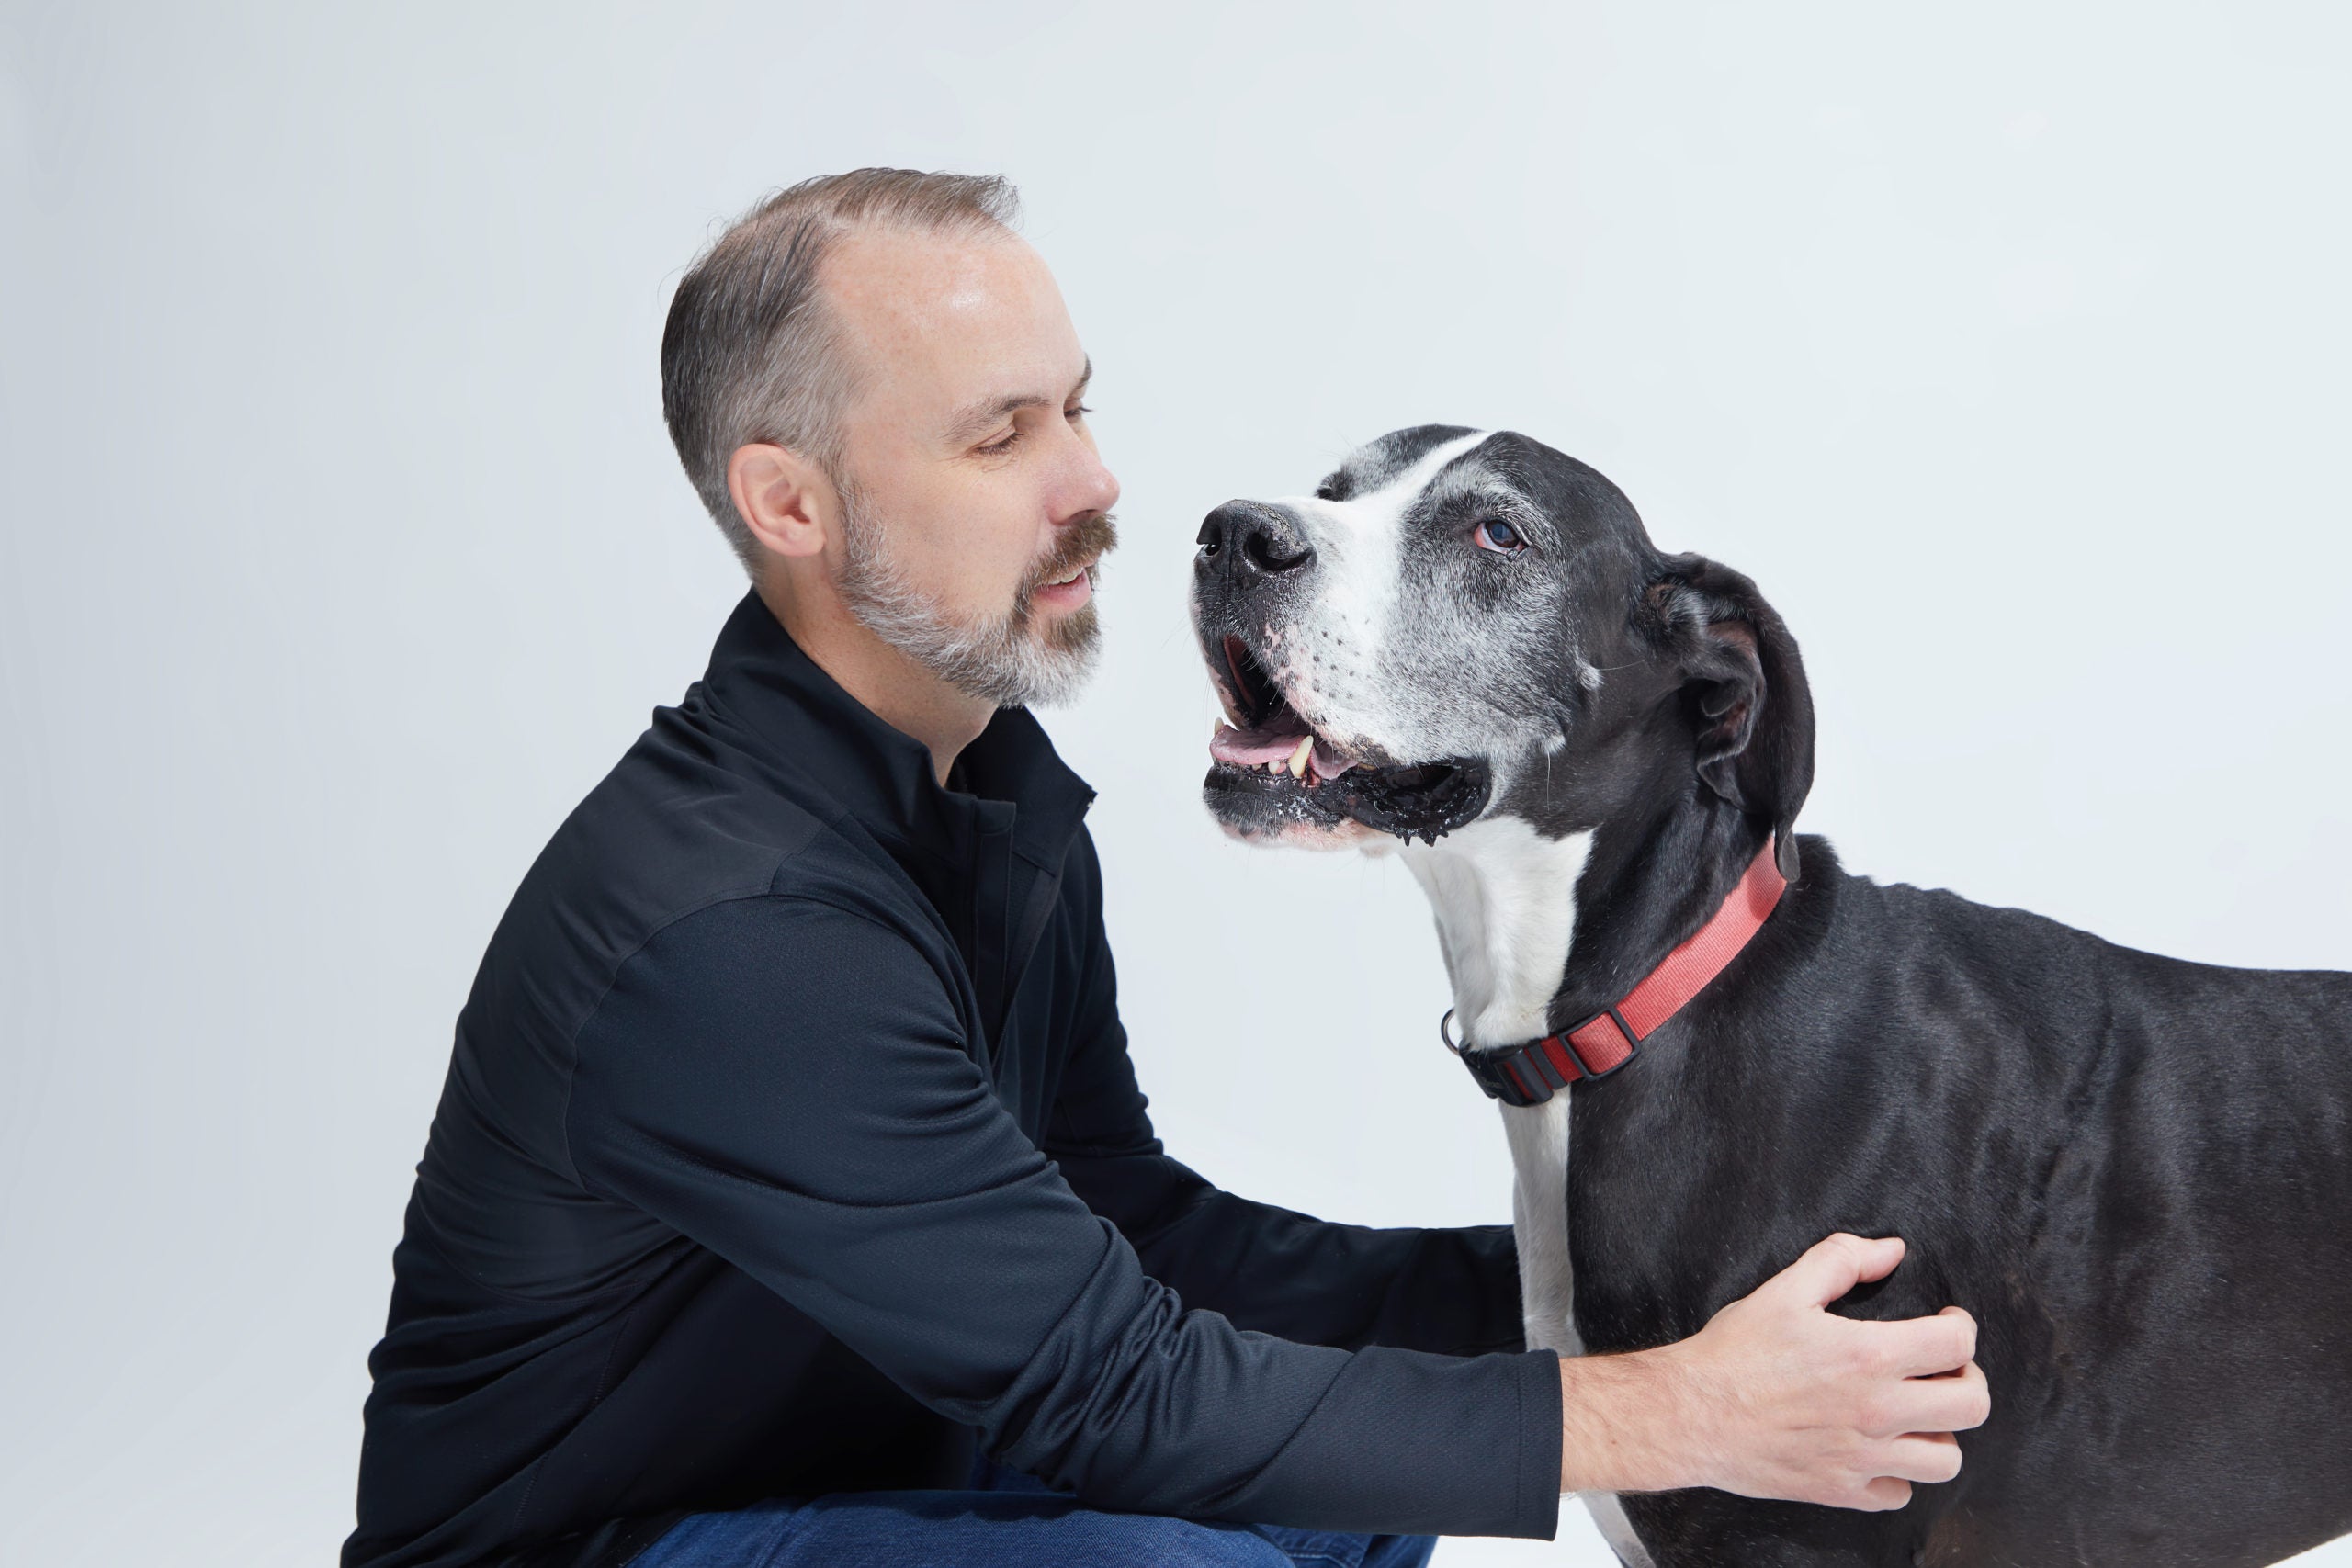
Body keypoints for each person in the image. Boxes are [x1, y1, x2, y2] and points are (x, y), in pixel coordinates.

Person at [345, 168, 1989, 1568]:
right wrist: (1679, 1404)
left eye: (1076, 405)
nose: (1095, 483)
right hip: (613, 1548)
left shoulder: (985, 800)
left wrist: (1614, 1289)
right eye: (1000, 438)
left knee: (1345, 1483)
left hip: (870, 1486)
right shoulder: (737, 933)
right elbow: (1114, 1387)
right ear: (792, 504)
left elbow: (1136, 1237)